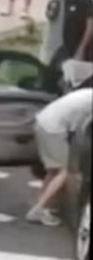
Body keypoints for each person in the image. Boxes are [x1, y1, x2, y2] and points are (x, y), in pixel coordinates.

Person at [27, 88, 92, 226]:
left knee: (54, 171)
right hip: (53, 128)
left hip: (44, 122)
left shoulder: (88, 93)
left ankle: (43, 206)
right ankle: (39, 209)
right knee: (65, 171)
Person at [41, 0, 93, 67]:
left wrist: (81, 50)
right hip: (64, 47)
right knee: (52, 71)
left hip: (80, 47)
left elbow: (90, 27)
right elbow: (51, 15)